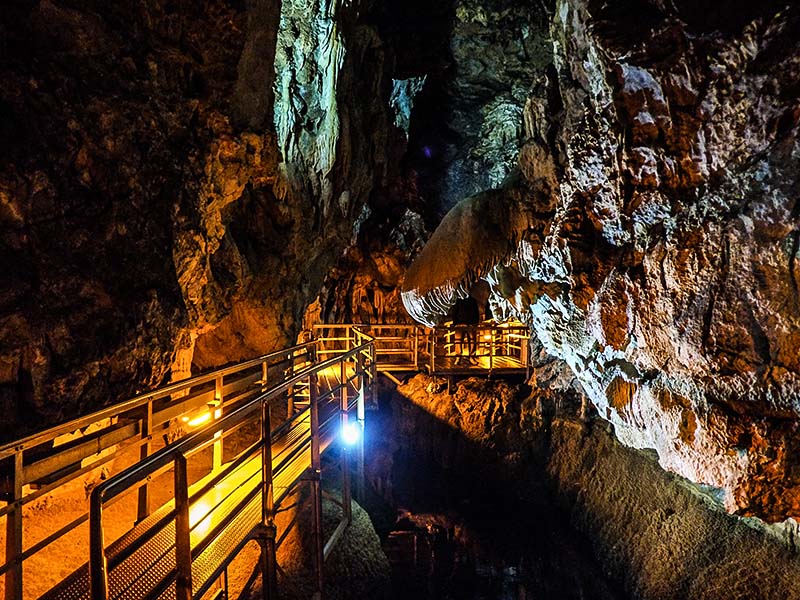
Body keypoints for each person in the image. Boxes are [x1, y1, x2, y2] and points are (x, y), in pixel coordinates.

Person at [451, 296, 480, 365]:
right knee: (458, 341)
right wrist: (455, 323)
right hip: (460, 324)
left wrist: (475, 323)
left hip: (470, 324)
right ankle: (458, 357)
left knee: (472, 340)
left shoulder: (472, 300)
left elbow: (476, 312)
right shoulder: (458, 300)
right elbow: (454, 311)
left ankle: (471, 357)